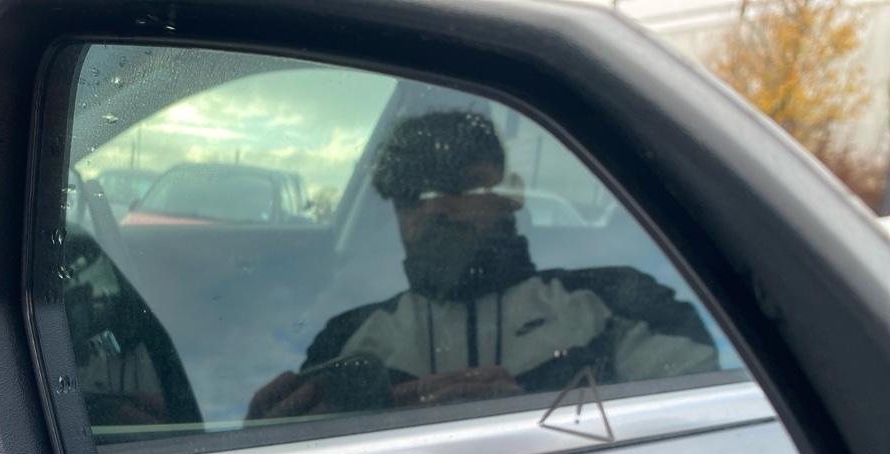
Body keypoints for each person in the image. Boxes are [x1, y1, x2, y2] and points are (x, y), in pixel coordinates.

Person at [248, 110, 719, 420]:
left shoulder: (621, 303)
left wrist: (530, 419)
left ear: (511, 194)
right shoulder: (344, 342)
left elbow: (707, 433)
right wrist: (265, 432)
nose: (436, 207)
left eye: (461, 186)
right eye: (412, 196)